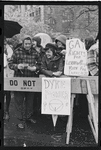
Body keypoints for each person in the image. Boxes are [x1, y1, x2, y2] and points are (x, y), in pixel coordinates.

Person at [8, 35, 40, 128]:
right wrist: (17, 66)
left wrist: (35, 68)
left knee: (30, 100)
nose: (27, 45)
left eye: (29, 44)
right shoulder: (17, 52)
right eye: (26, 44)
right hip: (19, 79)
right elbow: (10, 64)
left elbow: (40, 65)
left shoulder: (35, 53)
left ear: (31, 44)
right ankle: (19, 120)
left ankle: (28, 117)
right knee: (19, 101)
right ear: (23, 43)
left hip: (31, 80)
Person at [85, 36, 98, 124]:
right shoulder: (95, 48)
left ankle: (94, 118)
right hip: (95, 75)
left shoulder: (93, 48)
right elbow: (92, 64)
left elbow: (91, 64)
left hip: (95, 75)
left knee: (94, 99)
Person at [32, 36, 45, 116]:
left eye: (34, 41)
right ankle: (34, 109)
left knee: (41, 92)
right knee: (34, 92)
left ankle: (41, 108)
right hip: (33, 72)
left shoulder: (43, 51)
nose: (32, 42)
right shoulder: (31, 50)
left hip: (41, 72)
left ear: (38, 42)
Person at [4, 37, 14, 120]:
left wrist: (8, 57)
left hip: (7, 74)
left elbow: (11, 60)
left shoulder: (9, 49)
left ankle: (7, 111)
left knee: (7, 93)